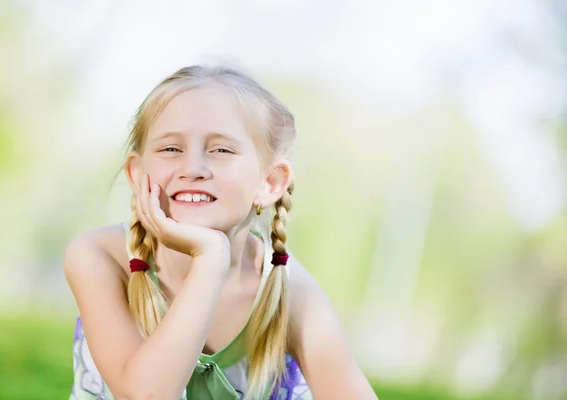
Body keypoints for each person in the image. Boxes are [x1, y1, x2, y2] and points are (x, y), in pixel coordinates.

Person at [64, 65, 379, 399]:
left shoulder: (291, 295)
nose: (193, 169)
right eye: (171, 149)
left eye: (221, 150)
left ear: (268, 183)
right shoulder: (98, 256)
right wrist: (210, 261)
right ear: (137, 173)